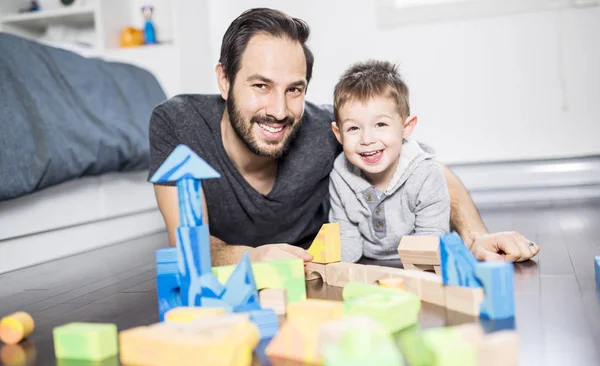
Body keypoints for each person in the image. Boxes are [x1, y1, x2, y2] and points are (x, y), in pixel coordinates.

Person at [148, 8, 539, 266]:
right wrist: (252, 258)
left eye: (294, 89)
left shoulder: (324, 130)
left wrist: (475, 237)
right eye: (261, 85)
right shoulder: (178, 125)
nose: (280, 110)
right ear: (224, 79)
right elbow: (189, 246)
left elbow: (421, 168)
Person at [329, 60, 449, 262]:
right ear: (338, 134)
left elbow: (431, 238)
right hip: (369, 267)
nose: (367, 139)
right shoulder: (340, 177)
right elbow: (346, 240)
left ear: (406, 127)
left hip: (421, 265)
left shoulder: (426, 175)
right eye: (353, 128)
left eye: (380, 124)